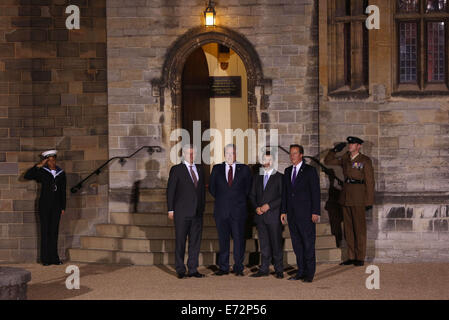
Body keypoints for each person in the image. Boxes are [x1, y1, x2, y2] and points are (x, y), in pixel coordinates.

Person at [324, 136, 375, 267]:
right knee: (348, 229)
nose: (350, 146)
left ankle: (360, 257)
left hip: (359, 197)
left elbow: (370, 182)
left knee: (359, 228)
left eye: (353, 144)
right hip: (346, 196)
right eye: (349, 144)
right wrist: (334, 150)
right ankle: (351, 256)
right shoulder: (345, 158)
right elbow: (328, 161)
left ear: (359, 146)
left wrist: (369, 201)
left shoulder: (365, 160)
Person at [209, 144, 252, 276]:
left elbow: (248, 189)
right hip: (221, 211)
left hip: (238, 211)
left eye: (232, 153)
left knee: (239, 240)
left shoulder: (244, 169)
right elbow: (212, 189)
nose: (229, 155)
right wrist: (224, 200)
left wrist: (236, 201)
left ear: (235, 154)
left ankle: (238, 267)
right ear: (224, 154)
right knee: (223, 240)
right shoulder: (217, 169)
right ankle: (223, 267)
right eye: (227, 153)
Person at [281, 144, 320, 283]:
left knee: (308, 244)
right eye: (291, 153)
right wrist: (283, 211)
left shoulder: (310, 171)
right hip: (292, 215)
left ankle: (309, 273)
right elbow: (285, 193)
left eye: (295, 153)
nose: (292, 156)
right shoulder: (287, 171)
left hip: (306, 214)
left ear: (301, 155)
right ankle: (301, 271)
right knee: (297, 245)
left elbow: (315, 192)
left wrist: (316, 212)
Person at [167, 144, 206, 279]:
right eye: (188, 153)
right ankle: (180, 269)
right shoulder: (176, 169)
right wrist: (170, 209)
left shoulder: (200, 169)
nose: (191, 156)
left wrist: (202, 208)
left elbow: (201, 192)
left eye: (193, 153)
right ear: (183, 154)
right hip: (181, 212)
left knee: (195, 242)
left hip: (197, 213)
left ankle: (193, 269)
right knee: (181, 241)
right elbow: (171, 190)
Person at [24, 150, 66, 266]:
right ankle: (45, 259)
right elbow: (27, 176)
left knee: (54, 232)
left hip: (57, 206)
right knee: (45, 231)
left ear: (55, 160)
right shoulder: (42, 172)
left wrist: (63, 207)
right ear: (46, 161)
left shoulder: (61, 173)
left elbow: (63, 191)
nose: (51, 162)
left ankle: (55, 258)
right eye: (49, 160)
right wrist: (38, 166)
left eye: (53, 160)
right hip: (44, 205)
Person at [249, 151, 284, 279]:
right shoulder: (257, 177)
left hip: (273, 215)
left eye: (269, 160)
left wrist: (269, 205)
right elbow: (252, 195)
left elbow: (282, 197)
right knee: (263, 243)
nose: (267, 162)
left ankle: (279, 269)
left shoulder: (279, 177)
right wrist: (256, 207)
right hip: (260, 216)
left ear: (273, 161)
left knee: (276, 243)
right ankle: (264, 268)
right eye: (264, 159)